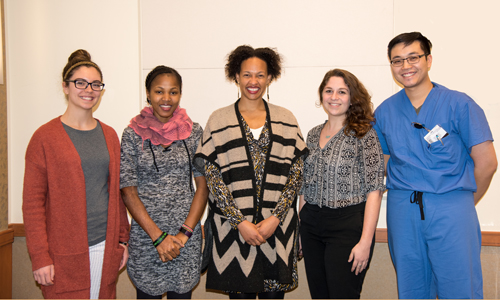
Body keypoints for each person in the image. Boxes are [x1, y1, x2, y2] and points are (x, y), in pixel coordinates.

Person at [373, 32, 497, 299]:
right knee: (412, 286)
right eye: (397, 61)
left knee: (460, 286)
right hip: (403, 210)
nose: (406, 66)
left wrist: (462, 201)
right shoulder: (384, 112)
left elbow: (487, 163)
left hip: (451, 206)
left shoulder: (460, 104)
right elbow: (383, 161)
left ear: (428, 60)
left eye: (413, 57)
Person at [194, 45, 308, 299]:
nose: (253, 81)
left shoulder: (286, 119)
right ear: (236, 76)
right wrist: (240, 222)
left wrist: (276, 218)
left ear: (270, 77)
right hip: (234, 233)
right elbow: (212, 177)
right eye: (247, 74)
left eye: (260, 75)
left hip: (276, 232)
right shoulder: (218, 120)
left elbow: (296, 174)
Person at [22, 49, 130, 299]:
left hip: (105, 247)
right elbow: (32, 204)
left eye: (95, 84)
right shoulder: (44, 138)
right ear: (65, 87)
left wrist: (122, 241)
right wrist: (39, 257)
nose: (88, 90)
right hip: (62, 253)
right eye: (80, 83)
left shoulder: (110, 135)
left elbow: (116, 193)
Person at [120, 65, 208, 299]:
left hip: (185, 238)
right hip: (147, 237)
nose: (166, 98)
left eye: (173, 92)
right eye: (159, 91)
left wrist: (184, 235)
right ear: (148, 94)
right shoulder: (132, 134)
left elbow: (202, 188)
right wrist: (158, 237)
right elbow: (128, 190)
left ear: (180, 94)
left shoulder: (193, 132)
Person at [299, 69, 385, 299]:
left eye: (342, 92)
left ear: (352, 97)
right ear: (321, 95)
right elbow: (306, 187)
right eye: (329, 91)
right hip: (311, 225)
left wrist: (365, 242)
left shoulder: (364, 134)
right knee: (319, 295)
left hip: (347, 225)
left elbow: (374, 190)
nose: (334, 97)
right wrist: (301, 225)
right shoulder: (312, 134)